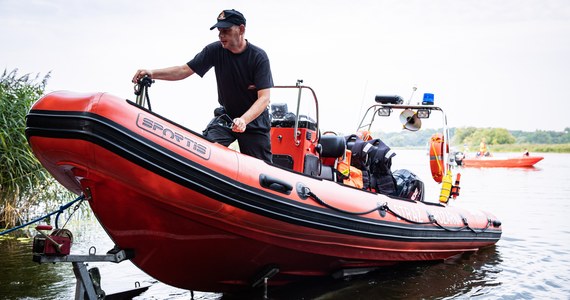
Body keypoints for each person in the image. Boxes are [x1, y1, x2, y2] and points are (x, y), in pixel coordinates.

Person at [132, 9, 273, 163]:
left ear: (241, 29)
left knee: (261, 171)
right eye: (219, 31)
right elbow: (183, 70)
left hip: (253, 123)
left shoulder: (258, 57)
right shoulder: (214, 50)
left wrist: (244, 120)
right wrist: (152, 73)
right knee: (203, 153)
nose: (220, 35)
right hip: (227, 118)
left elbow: (264, 98)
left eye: (225, 30)